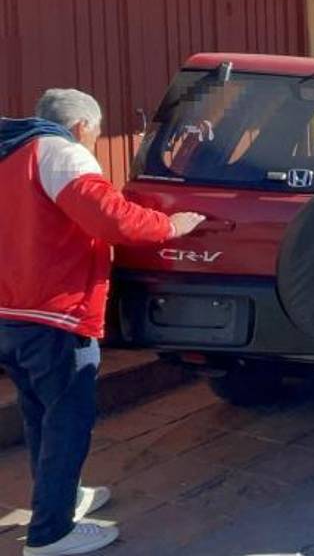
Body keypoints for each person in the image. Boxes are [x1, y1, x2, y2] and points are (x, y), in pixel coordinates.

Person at [0, 89, 205, 555]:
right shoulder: (60, 152)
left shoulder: (9, 154)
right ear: (80, 128)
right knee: (68, 421)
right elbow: (112, 219)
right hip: (56, 314)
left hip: (11, 315)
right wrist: (173, 225)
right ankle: (51, 534)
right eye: (93, 135)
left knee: (40, 416)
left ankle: (60, 500)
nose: (91, 145)